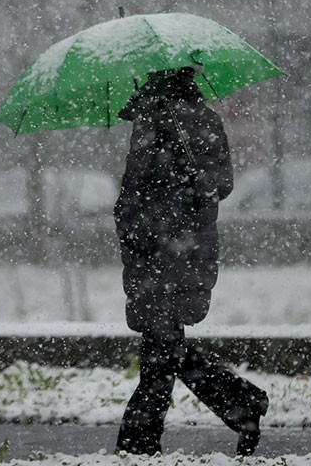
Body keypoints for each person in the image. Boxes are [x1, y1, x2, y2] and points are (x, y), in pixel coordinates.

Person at [113, 66, 268, 456]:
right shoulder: (193, 119)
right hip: (182, 249)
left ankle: (139, 442)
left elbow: (139, 195)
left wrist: (146, 214)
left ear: (158, 79)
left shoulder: (160, 121)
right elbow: (218, 184)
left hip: (167, 253)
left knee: (162, 349)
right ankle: (240, 404)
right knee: (165, 347)